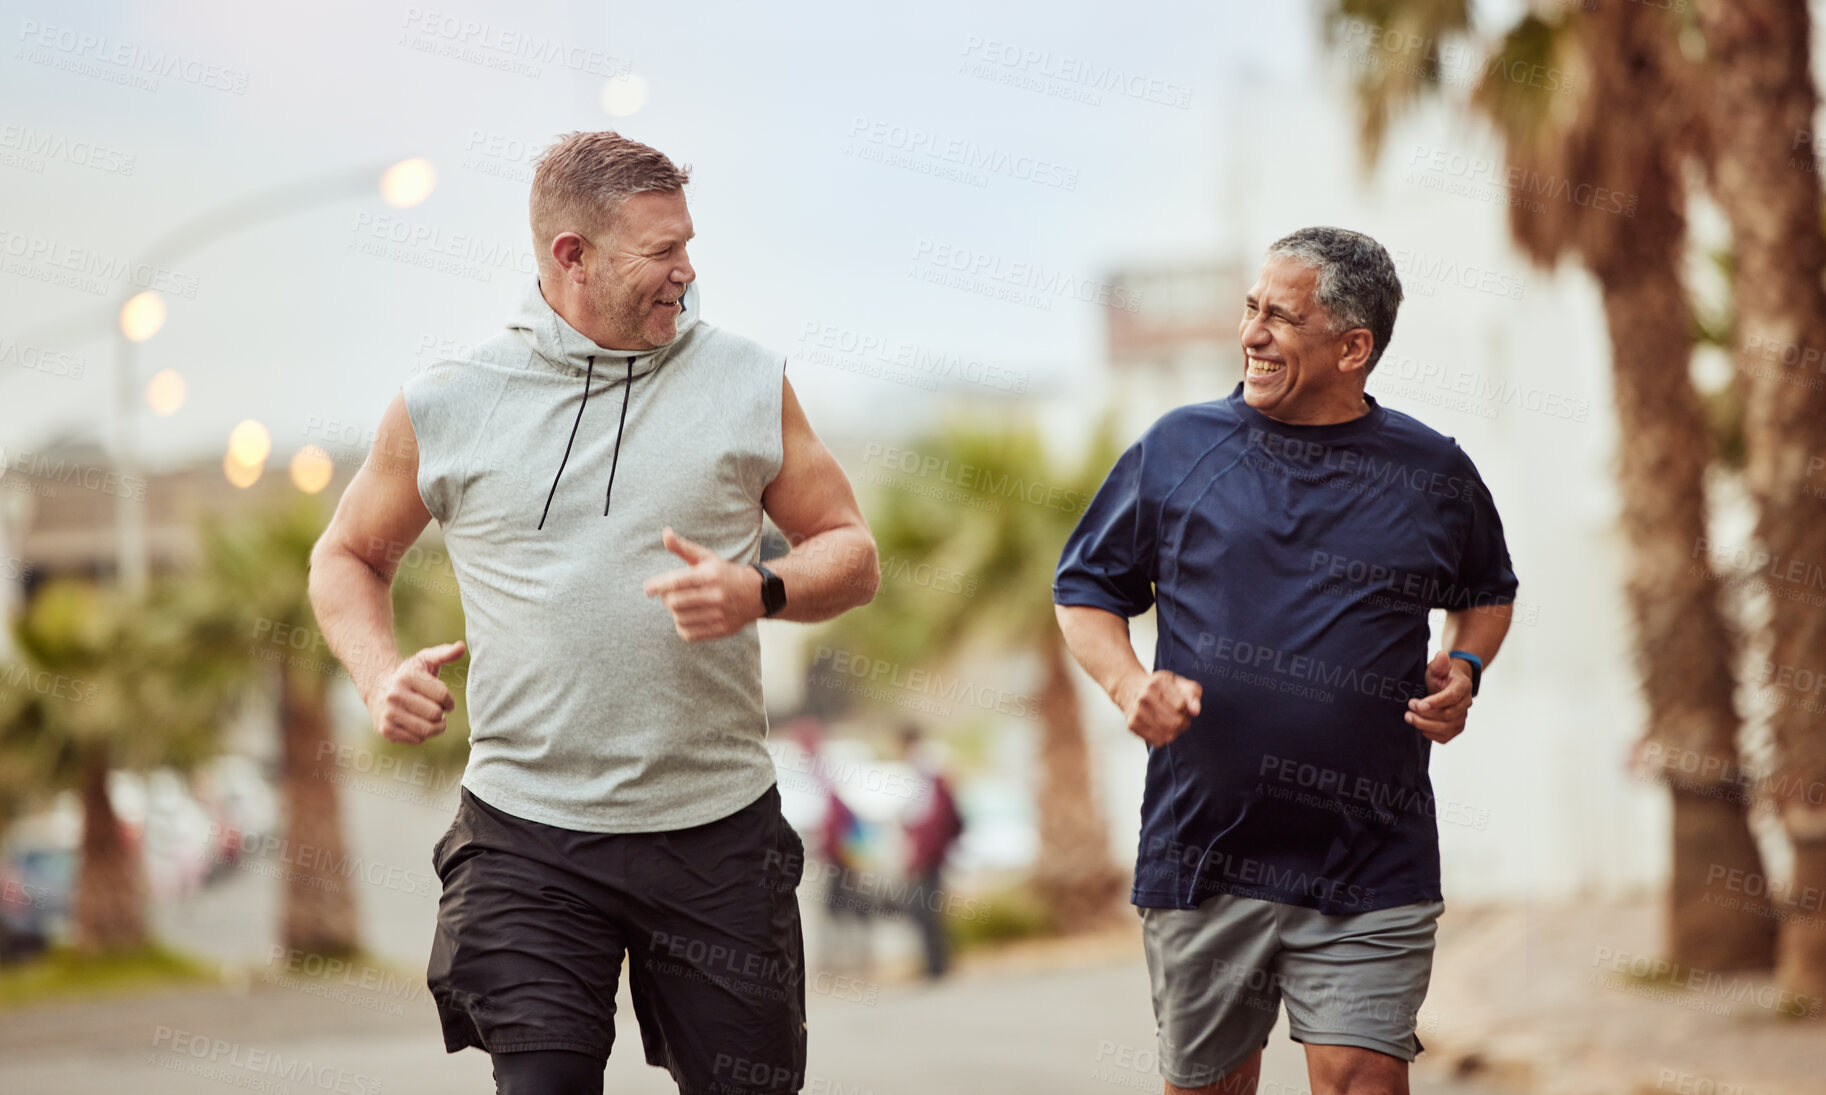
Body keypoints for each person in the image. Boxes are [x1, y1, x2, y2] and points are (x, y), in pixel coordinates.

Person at [307, 130, 880, 1095]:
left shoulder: (745, 380)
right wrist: (375, 674)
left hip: (717, 832)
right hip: (527, 840)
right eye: (662, 252)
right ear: (572, 256)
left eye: (687, 245)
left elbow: (852, 552)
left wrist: (763, 589)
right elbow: (348, 554)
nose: (687, 273)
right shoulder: (447, 403)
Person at [1053, 227, 1516, 1095]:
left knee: (1363, 1082)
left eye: (1280, 317)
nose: (1252, 334)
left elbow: (1489, 590)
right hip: (1205, 856)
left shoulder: (1433, 471)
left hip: (1372, 857)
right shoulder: (1179, 450)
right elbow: (1085, 590)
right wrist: (1128, 684)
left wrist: (1466, 666)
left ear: (1353, 347)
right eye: (1250, 308)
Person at [897, 725, 965, 980]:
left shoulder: (923, 770)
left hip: (929, 854)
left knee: (925, 908)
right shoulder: (927, 768)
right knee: (928, 907)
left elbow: (927, 817)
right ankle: (937, 961)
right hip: (931, 852)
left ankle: (938, 963)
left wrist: (919, 852)